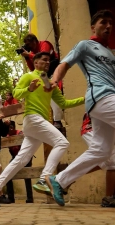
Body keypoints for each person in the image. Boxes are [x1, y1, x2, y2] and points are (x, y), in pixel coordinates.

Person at [0, 52, 84, 207]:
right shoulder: (29, 76)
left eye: (48, 61)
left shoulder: (50, 84)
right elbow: (16, 93)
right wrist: (28, 89)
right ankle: (44, 179)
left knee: (21, 160)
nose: (47, 63)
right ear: (35, 63)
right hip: (32, 118)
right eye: (44, 60)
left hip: (37, 124)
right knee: (62, 142)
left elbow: (64, 104)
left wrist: (86, 99)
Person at [45, 10, 115, 207]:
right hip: (101, 97)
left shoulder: (109, 53)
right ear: (93, 27)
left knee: (102, 151)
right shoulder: (85, 45)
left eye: (111, 23)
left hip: (107, 100)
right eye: (103, 22)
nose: (108, 26)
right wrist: (54, 80)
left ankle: (59, 180)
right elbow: (64, 64)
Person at [21, 33, 64, 129]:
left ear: (34, 42)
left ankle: (57, 120)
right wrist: (27, 57)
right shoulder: (32, 54)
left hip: (54, 68)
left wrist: (29, 54)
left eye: (29, 44)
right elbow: (34, 68)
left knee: (53, 92)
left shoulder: (45, 44)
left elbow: (44, 58)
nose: (28, 47)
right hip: (44, 75)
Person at [79, 113, 115, 207]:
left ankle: (66, 178)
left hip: (103, 129)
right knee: (112, 163)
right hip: (91, 129)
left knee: (106, 163)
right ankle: (109, 199)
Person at [5, 121, 33, 203]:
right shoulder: (7, 136)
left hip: (25, 155)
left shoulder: (20, 133)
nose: (9, 129)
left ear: (12, 127)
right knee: (7, 172)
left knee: (27, 175)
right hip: (15, 156)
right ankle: (11, 197)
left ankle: (30, 198)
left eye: (10, 127)